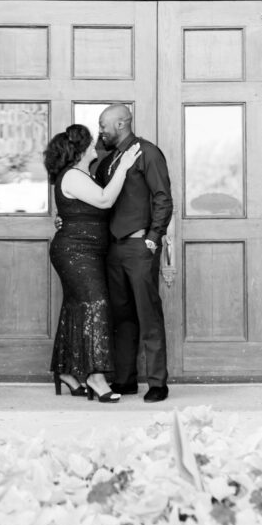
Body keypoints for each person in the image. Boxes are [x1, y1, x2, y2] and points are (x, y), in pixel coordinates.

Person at [44, 123, 141, 403]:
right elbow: (104, 199)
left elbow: (78, 209)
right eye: (90, 143)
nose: (95, 146)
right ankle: (95, 377)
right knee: (96, 305)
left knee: (76, 308)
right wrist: (124, 166)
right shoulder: (73, 175)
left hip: (86, 251)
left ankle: (67, 372)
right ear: (81, 150)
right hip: (75, 252)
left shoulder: (81, 175)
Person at [96, 104, 173, 403]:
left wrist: (153, 239)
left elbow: (163, 198)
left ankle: (158, 383)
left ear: (121, 123)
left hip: (140, 247)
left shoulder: (148, 153)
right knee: (122, 317)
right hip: (114, 250)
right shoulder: (110, 159)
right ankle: (125, 380)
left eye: (103, 124)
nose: (100, 129)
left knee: (148, 315)